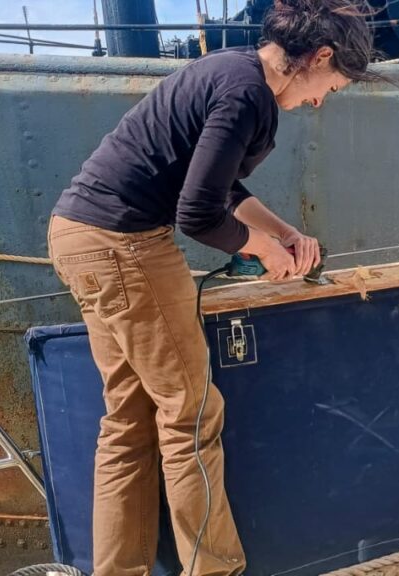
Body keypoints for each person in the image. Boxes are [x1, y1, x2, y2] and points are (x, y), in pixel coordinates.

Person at [46, 0, 377, 574]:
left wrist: (283, 231)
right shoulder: (249, 96)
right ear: (319, 56)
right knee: (190, 416)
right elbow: (199, 214)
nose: (321, 100)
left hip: (77, 233)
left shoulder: (232, 70)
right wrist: (263, 250)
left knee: (127, 419)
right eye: (333, 85)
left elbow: (222, 187)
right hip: (126, 245)